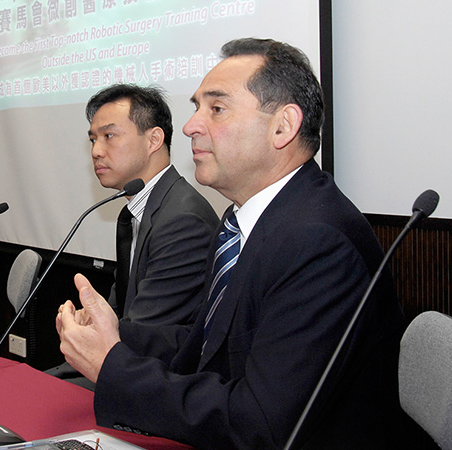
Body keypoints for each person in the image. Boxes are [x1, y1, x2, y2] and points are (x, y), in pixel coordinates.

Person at [56, 38, 409, 448]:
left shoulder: (319, 241)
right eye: (196, 107)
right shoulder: (245, 219)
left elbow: (258, 422)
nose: (190, 126)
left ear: (283, 126)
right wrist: (118, 334)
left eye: (216, 109)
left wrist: (113, 367)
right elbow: (206, 344)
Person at [46, 84, 219, 389]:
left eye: (109, 136)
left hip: (158, 384)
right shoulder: (135, 210)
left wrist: (92, 332)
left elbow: (145, 333)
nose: (96, 151)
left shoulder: (182, 221)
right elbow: (121, 309)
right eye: (93, 139)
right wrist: (88, 319)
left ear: (154, 139)